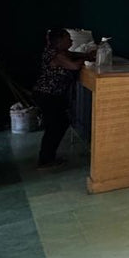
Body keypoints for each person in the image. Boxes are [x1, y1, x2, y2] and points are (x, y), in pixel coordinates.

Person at [32, 28, 93, 168]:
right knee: (55, 126)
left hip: (51, 95)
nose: (71, 41)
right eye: (68, 39)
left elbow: (74, 54)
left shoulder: (60, 51)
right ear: (59, 41)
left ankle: (47, 157)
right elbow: (74, 66)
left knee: (59, 124)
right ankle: (46, 160)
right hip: (47, 95)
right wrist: (86, 58)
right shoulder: (57, 55)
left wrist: (86, 55)